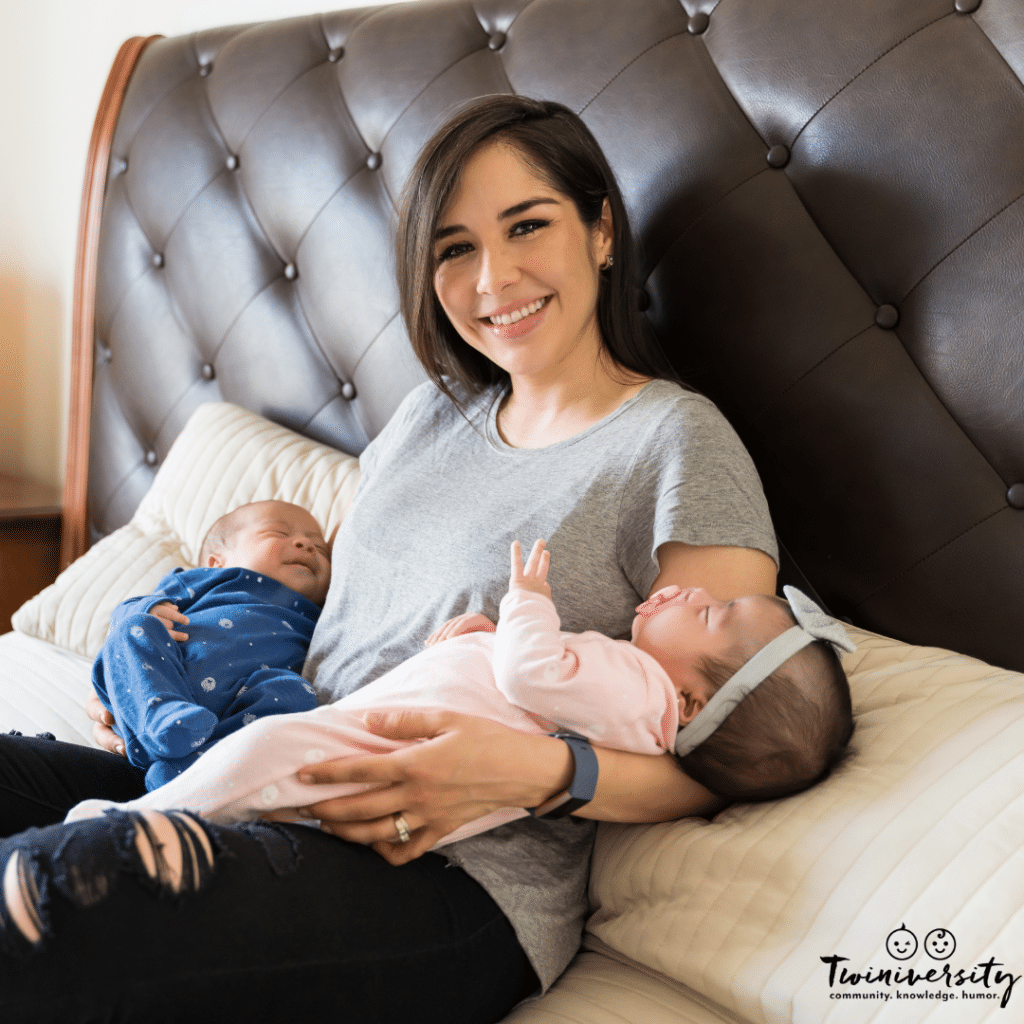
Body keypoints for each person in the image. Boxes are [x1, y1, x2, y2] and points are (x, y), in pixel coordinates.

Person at [0, 96, 780, 1024]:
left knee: (44, 894)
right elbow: (337, 622)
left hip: (442, 872)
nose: (495, 277)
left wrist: (533, 772)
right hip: (268, 770)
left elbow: (737, 741)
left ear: (601, 230)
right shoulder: (426, 416)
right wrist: (165, 668)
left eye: (527, 225)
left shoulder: (676, 443)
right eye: (455, 248)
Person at [66, 541, 853, 830]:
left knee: (268, 755)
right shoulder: (637, 685)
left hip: (395, 766)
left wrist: (526, 605)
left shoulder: (643, 691)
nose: (683, 594)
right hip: (344, 715)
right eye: (454, 247)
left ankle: (143, 821)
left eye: (708, 613)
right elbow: (536, 683)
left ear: (690, 704)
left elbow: (530, 674)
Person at [91, 500, 330, 790]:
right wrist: (149, 610)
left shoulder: (321, 616)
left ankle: (191, 768)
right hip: (161, 680)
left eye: (322, 548)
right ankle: (160, 718)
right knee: (133, 627)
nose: (306, 544)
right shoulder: (205, 581)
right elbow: (126, 614)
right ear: (217, 563)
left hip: (237, 706)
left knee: (294, 692)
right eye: (278, 533)